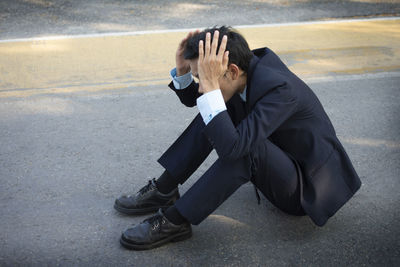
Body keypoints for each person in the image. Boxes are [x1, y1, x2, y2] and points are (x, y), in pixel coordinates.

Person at [114, 26, 361, 250]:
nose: (201, 86)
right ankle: (164, 190)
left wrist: (211, 89)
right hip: (281, 160)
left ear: (232, 71)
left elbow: (233, 149)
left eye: (204, 79)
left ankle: (175, 221)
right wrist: (184, 72)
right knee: (214, 110)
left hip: (304, 189)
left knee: (239, 142)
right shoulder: (242, 70)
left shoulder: (280, 90)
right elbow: (197, 101)